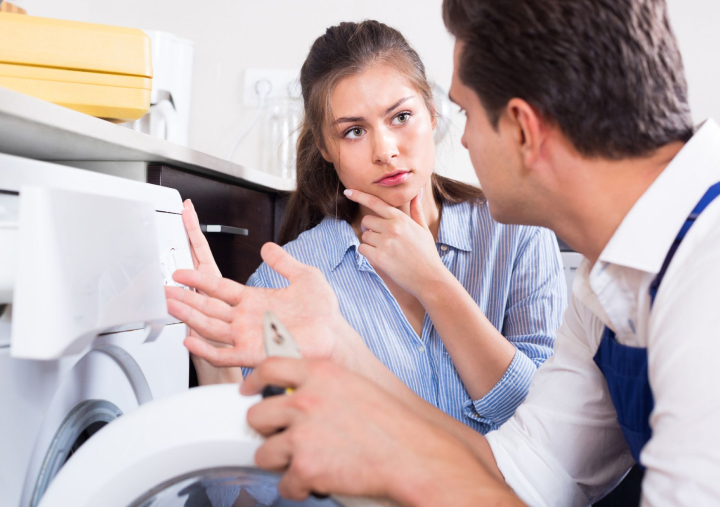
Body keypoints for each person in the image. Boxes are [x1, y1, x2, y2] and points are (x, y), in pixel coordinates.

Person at [166, 0, 720, 507]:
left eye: (462, 111)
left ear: (523, 132)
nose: (463, 143)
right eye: (356, 130)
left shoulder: (712, 277)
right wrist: (342, 349)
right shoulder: (605, 287)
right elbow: (522, 474)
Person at [175, 20, 566, 434]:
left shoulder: (517, 231)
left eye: (401, 116)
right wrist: (217, 364)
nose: (386, 151)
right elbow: (242, 494)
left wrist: (433, 281)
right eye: (355, 131)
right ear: (326, 147)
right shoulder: (285, 279)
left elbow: (548, 429)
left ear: (432, 114)